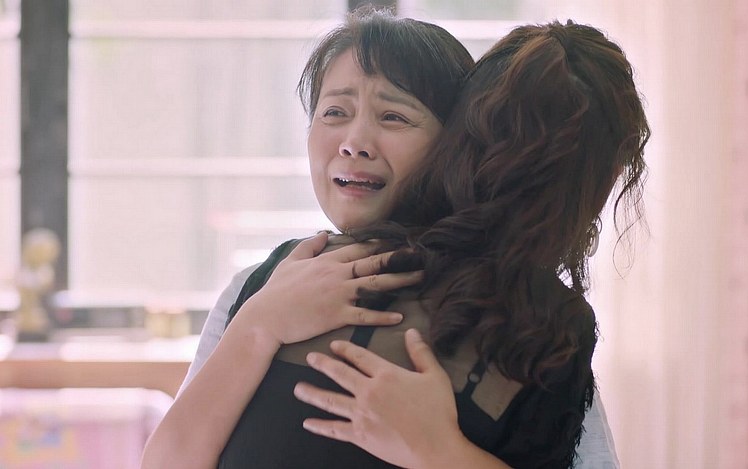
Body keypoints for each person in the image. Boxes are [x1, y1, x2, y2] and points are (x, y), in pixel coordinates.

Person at [141, 9, 628, 469]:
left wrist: (440, 450)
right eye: (334, 111)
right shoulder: (262, 284)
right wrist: (258, 325)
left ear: (456, 144)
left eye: (394, 117)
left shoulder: (531, 322)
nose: (354, 142)